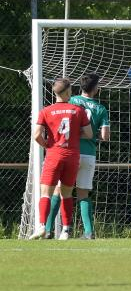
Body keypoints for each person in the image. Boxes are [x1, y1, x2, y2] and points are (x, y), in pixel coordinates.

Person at [45, 73, 110, 240]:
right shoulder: (101, 109)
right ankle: (88, 232)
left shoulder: (72, 101)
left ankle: (47, 230)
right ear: (95, 88)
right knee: (83, 194)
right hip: (88, 154)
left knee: (59, 191)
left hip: (68, 152)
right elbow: (105, 136)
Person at [29, 78, 93, 240]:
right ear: (66, 92)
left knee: (46, 193)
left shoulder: (46, 111)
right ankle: (65, 230)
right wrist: (74, 136)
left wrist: (47, 145)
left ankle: (42, 226)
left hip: (54, 155)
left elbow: (36, 134)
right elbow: (89, 134)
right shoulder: (78, 110)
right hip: (72, 156)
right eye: (70, 90)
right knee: (66, 194)